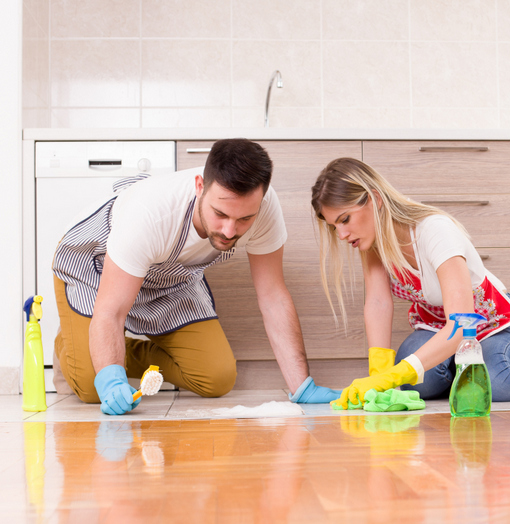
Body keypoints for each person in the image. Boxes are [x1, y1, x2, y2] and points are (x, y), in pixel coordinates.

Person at [52, 138, 339, 415]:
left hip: (169, 278)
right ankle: (73, 344)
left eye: (243, 219)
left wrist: (301, 386)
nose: (229, 231)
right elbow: (111, 311)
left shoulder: (264, 208)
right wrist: (112, 378)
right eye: (220, 213)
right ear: (200, 186)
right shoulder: (149, 214)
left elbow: (273, 296)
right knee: (92, 386)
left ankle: (116, 350)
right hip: (96, 268)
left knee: (216, 377)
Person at [311, 157, 510, 409]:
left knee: (497, 384)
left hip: (495, 324)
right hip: (437, 326)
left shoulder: (435, 231)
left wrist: (393, 376)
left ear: (376, 199)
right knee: (418, 384)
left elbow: (461, 319)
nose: (342, 235)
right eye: (335, 227)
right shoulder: (373, 244)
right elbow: (378, 302)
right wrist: (380, 376)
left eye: (345, 220)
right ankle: (465, 370)